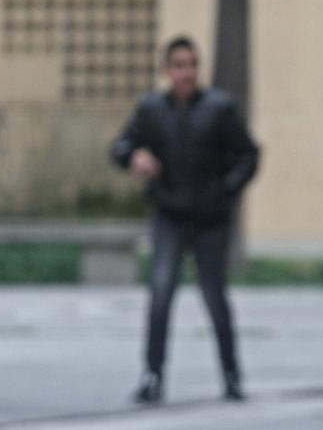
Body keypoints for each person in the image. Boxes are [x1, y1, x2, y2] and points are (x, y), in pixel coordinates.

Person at [111, 35, 260, 404]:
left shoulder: (219, 108)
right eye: (178, 66)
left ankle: (231, 375)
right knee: (160, 293)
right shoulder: (151, 109)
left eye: (192, 65)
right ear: (167, 70)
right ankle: (152, 375)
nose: (186, 73)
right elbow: (120, 146)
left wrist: (226, 190)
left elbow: (248, 156)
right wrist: (134, 158)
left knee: (215, 297)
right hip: (169, 215)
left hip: (211, 218)